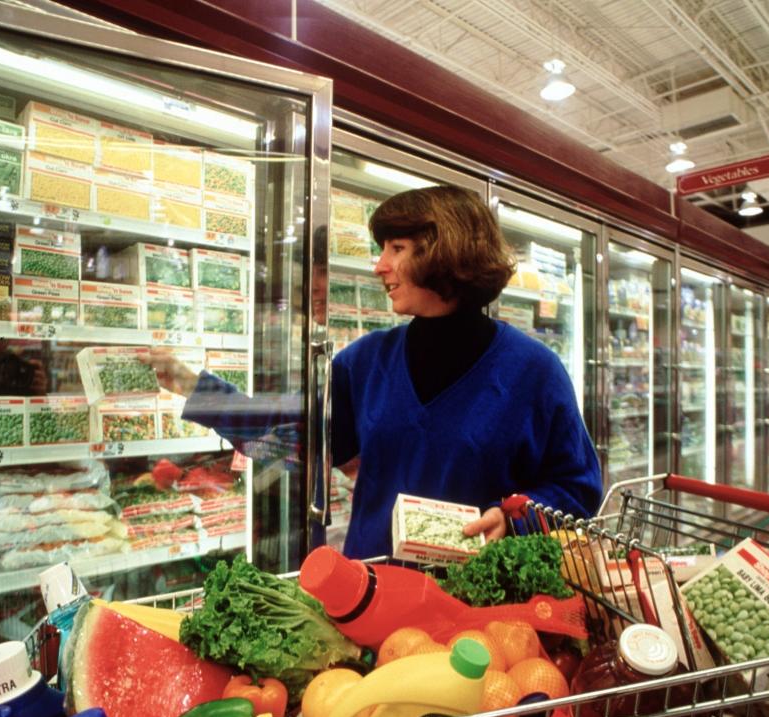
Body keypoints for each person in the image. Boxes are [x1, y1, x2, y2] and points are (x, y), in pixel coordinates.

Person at [153, 185, 602, 559]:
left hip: (481, 612)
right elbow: (296, 442)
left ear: (447, 251)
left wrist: (514, 518)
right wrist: (193, 387)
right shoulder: (367, 361)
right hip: (371, 595)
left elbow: (578, 490)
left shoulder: (534, 371)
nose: (379, 265)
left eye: (397, 249)